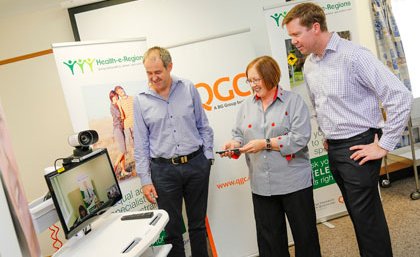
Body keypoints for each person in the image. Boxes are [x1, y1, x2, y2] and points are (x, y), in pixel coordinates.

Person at [282, 3, 413, 257]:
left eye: (296, 34)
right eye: (291, 36)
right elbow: (320, 105)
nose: (294, 41)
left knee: (367, 221)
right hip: (335, 147)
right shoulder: (309, 65)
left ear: (315, 27)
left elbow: (400, 96)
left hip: (358, 146)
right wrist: (328, 134)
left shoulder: (354, 56)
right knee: (359, 216)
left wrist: (384, 144)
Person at [220, 56, 321, 257]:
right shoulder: (246, 106)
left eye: (256, 79)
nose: (252, 85)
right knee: (270, 242)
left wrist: (265, 144)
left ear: (270, 76)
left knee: (305, 237)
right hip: (261, 185)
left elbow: (300, 137)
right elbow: (239, 134)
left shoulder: (293, 102)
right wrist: (235, 144)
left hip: (294, 183)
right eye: (249, 80)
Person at [133, 46, 214, 257]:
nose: (153, 77)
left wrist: (208, 158)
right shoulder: (140, 100)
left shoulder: (188, 88)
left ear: (170, 67)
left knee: (198, 225)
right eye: (149, 73)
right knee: (172, 230)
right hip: (163, 171)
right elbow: (141, 144)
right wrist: (145, 180)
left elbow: (203, 125)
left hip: (196, 164)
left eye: (157, 72)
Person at [109, 90, 130, 178]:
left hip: (121, 129)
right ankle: (114, 167)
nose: (116, 97)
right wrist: (120, 107)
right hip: (117, 130)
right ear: (111, 98)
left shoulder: (117, 105)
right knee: (123, 150)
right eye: (114, 96)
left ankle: (123, 171)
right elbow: (121, 116)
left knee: (123, 150)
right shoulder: (113, 107)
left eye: (117, 96)